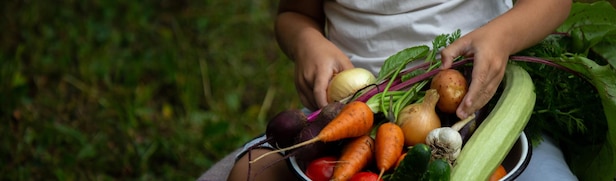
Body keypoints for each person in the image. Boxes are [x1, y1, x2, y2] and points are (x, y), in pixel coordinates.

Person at [225, 0, 574, 180]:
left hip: (479, 113)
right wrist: (306, 41)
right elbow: (294, 14)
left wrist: (501, 38)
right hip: (355, 112)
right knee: (248, 172)